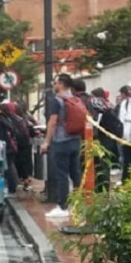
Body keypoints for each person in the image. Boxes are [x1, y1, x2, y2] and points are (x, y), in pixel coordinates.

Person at [42, 74, 83, 220]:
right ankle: (78, 204)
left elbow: (52, 122)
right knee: (75, 173)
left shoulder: (57, 100)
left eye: (55, 83)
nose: (54, 85)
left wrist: (47, 141)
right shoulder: (75, 99)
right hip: (76, 140)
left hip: (61, 141)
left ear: (60, 84)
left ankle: (62, 206)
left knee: (62, 175)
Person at [2, 102, 34, 194]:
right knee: (24, 166)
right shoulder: (24, 118)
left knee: (18, 165)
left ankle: (21, 183)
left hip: (18, 145)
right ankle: (25, 184)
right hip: (25, 144)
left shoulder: (13, 119)